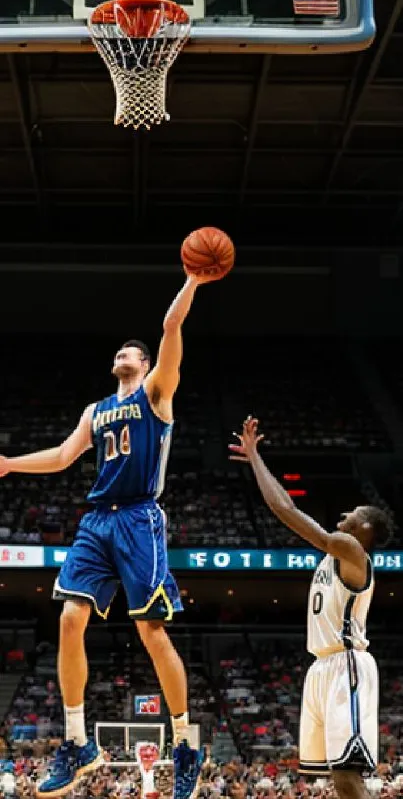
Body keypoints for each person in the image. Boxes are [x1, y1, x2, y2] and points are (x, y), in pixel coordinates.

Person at [0, 271, 215, 798]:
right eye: (119, 350)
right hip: (97, 520)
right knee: (70, 618)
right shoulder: (95, 411)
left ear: (143, 365)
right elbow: (62, 456)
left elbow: (169, 327)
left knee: (151, 632)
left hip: (140, 518)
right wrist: (8, 465)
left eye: (131, 351)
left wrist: (191, 281)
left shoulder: (157, 393)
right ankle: (78, 744)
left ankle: (185, 743)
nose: (122, 353)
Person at [230, 416, 393, 799]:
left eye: (352, 513)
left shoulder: (353, 552)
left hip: (346, 665)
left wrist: (255, 457)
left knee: (349, 775)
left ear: (365, 529)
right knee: (338, 778)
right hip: (321, 666)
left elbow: (284, 508)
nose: (342, 517)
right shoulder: (334, 557)